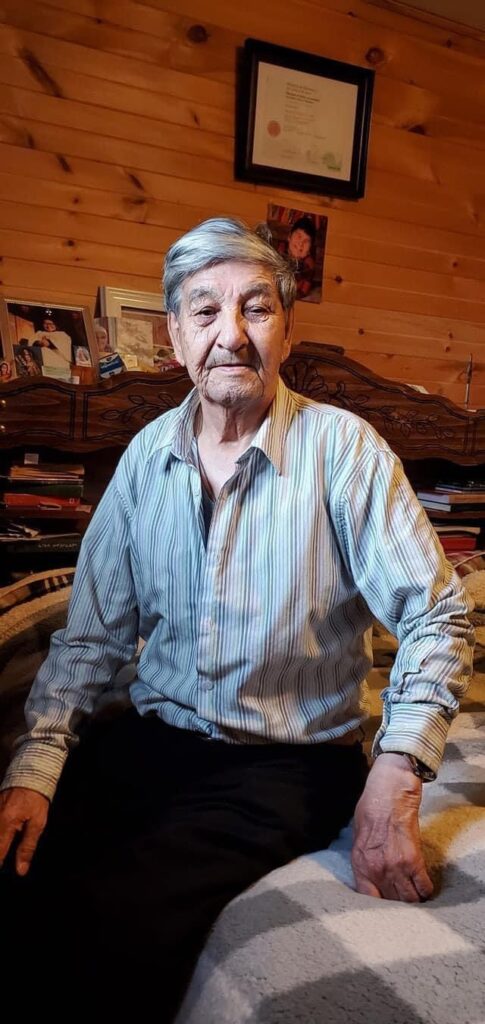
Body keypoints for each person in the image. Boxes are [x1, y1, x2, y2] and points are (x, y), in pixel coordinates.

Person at [0, 218, 474, 1018]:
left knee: (109, 930)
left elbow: (438, 616)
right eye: (205, 311)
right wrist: (36, 764)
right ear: (176, 336)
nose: (231, 335)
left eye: (255, 308)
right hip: (151, 742)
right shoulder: (144, 461)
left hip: (285, 766)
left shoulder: (345, 453)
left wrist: (395, 774)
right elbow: (89, 638)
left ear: (286, 328)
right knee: (19, 874)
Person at [278, 215, 316, 299]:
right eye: (299, 236)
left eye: (306, 241)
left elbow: (304, 291)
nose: (301, 243)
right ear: (289, 237)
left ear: (309, 249)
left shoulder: (308, 265)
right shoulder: (279, 252)